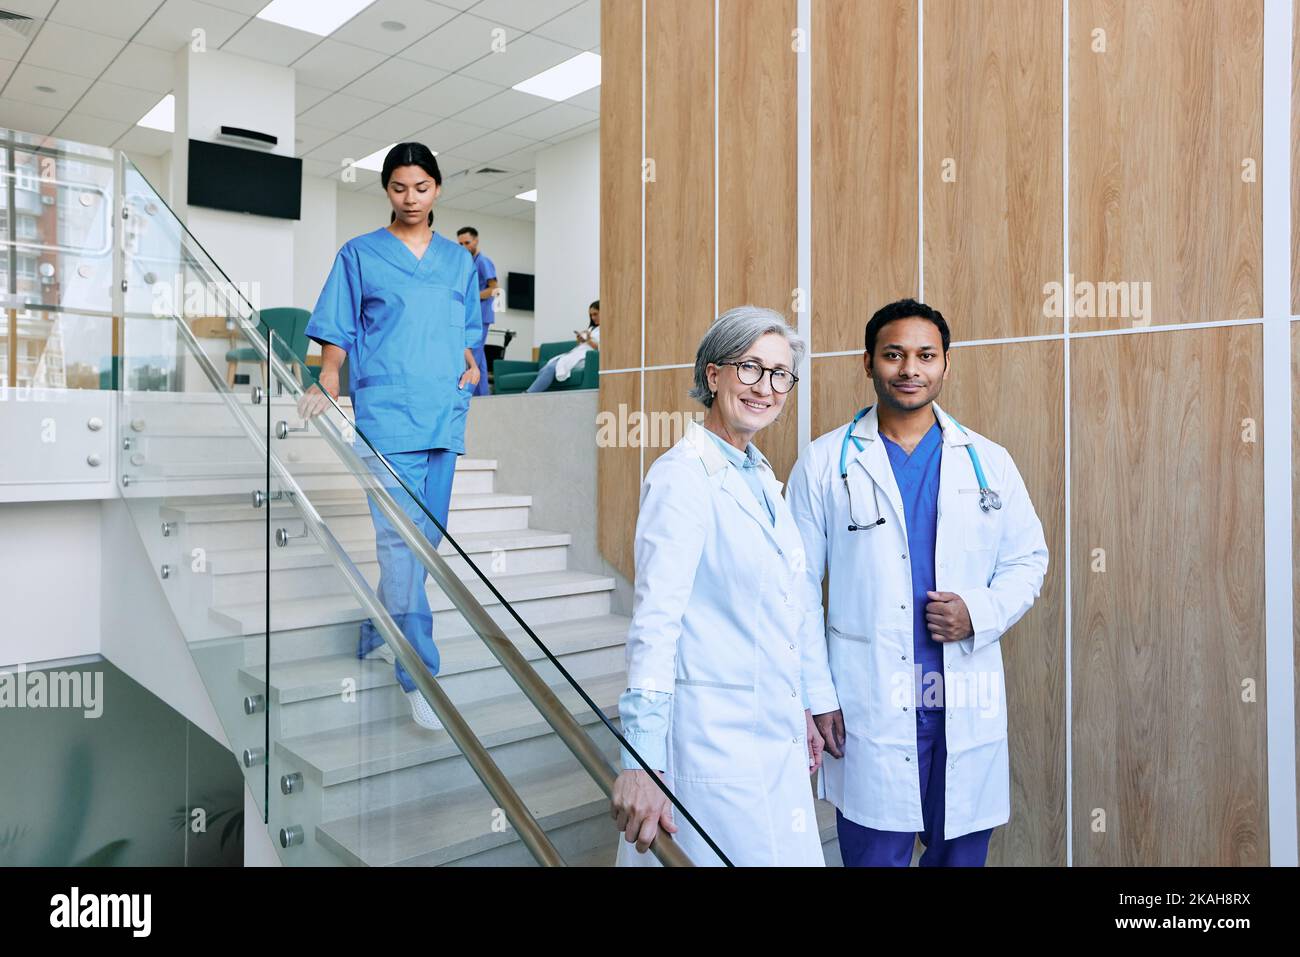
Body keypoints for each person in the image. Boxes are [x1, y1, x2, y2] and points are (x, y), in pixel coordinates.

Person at [786, 297, 1048, 866]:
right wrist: (817, 696)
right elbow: (796, 587)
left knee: (960, 856)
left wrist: (978, 611)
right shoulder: (825, 463)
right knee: (875, 855)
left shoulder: (989, 461)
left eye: (926, 355)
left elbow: (1028, 559)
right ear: (868, 362)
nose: (910, 369)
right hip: (869, 699)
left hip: (961, 695)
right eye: (894, 355)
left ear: (946, 363)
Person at [609, 305, 826, 867]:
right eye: (750, 368)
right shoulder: (681, 477)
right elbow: (655, 626)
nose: (766, 387)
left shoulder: (761, 477)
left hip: (769, 733)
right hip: (710, 741)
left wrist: (800, 706)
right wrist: (641, 758)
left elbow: (783, 612)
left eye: (780, 374)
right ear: (713, 375)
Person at [298, 142, 481, 732]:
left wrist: (470, 367)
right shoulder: (360, 254)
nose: (410, 198)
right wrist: (329, 375)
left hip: (442, 412)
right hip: (387, 414)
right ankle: (418, 674)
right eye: (399, 188)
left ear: (437, 188)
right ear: (387, 191)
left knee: (426, 539)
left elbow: (467, 331)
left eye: (421, 187)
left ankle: (379, 626)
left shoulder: (458, 261)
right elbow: (338, 326)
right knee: (402, 544)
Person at [456, 226, 497, 396]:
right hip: (473, 314)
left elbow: (494, 288)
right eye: (460, 244)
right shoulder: (469, 262)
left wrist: (472, 297)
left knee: (473, 354)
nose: (464, 247)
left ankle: (467, 392)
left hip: (481, 315)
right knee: (480, 357)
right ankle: (483, 395)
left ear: (476, 241)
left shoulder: (483, 262)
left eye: (467, 243)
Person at [525, 300, 599, 393]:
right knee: (546, 368)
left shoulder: (607, 329)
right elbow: (584, 346)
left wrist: (588, 340)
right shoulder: (591, 329)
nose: (593, 317)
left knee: (551, 368)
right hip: (577, 354)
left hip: (587, 358)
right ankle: (531, 393)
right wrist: (581, 339)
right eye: (591, 315)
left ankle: (528, 394)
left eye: (595, 314)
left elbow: (601, 348)